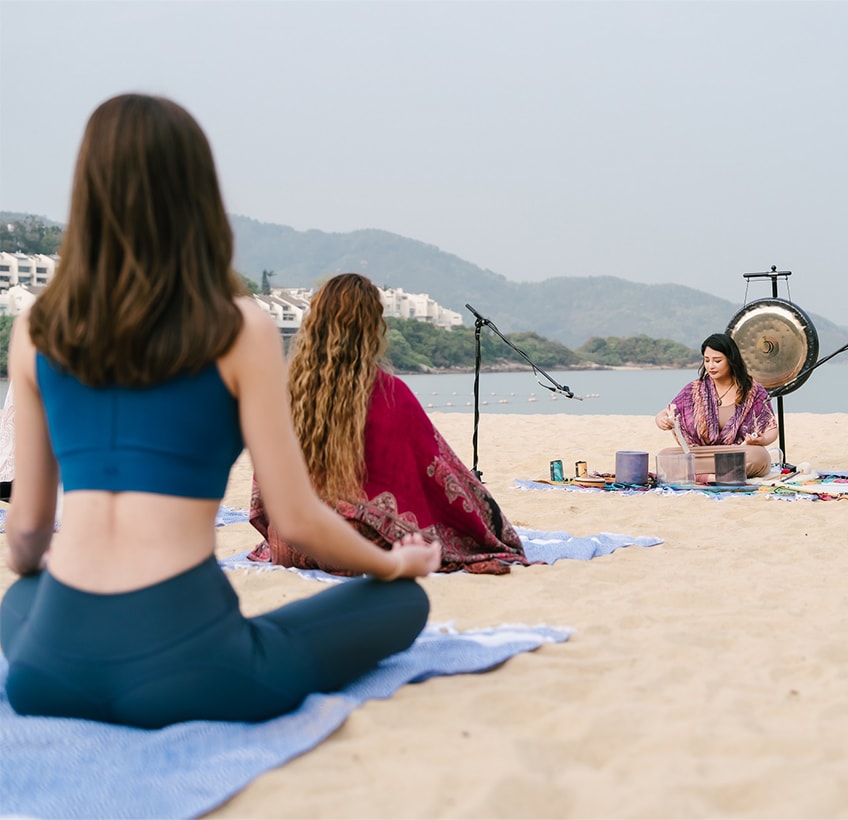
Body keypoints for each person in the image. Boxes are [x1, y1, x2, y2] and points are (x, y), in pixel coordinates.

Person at [0, 93, 440, 729]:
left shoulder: (37, 330)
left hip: (50, 675)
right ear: (196, 194)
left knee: (27, 594)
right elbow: (298, 518)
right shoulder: (239, 329)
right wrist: (394, 563)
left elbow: (28, 535)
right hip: (187, 671)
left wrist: (64, 604)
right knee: (402, 605)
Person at [248, 272, 528, 575]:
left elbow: (264, 487)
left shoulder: (286, 394)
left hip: (291, 544)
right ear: (372, 327)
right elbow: (440, 474)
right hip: (357, 547)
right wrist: (491, 528)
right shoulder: (392, 395)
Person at [655, 332, 779, 479]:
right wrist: (662, 421)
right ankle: (717, 477)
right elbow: (665, 413)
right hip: (702, 452)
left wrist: (762, 440)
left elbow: (771, 428)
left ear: (731, 360)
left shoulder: (752, 390)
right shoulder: (695, 389)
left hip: (736, 452)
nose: (711, 366)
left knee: (759, 456)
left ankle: (701, 476)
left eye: (717, 361)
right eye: (707, 360)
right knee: (665, 456)